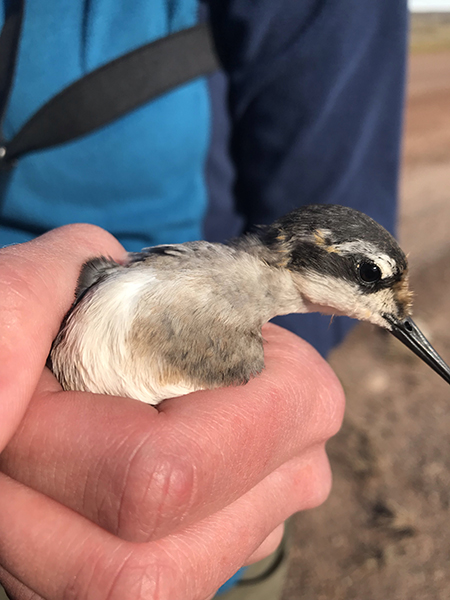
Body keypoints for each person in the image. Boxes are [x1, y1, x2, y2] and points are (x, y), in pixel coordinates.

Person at [0, 0, 407, 598]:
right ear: (308, 254)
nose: (394, 312)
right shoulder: (230, 319)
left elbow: (331, 174)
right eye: (372, 280)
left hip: (179, 544)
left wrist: (256, 417)